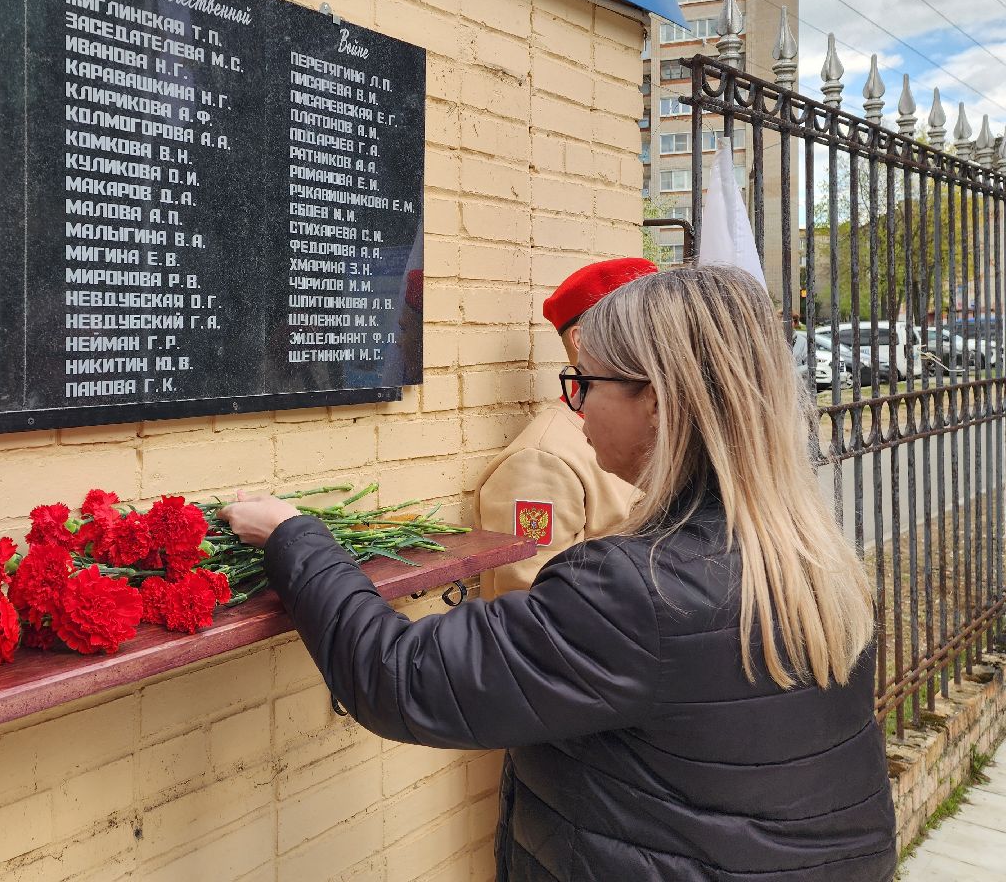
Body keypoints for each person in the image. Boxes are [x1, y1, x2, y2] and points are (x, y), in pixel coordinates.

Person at [220, 265, 894, 881]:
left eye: (586, 384)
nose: (576, 407)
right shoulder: (809, 553)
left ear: (656, 402)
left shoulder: (639, 590)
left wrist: (292, 536)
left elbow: (401, 678)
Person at [476, 257, 656, 595]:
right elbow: (531, 603)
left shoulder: (652, 431)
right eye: (644, 322)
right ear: (582, 338)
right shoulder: (543, 461)